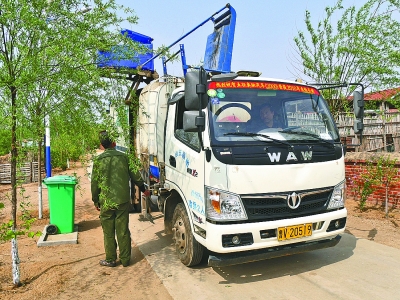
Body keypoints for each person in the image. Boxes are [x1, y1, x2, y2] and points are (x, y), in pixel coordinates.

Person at [91, 130, 150, 267]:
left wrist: (96, 200)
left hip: (106, 201)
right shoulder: (124, 157)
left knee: (108, 231)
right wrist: (143, 189)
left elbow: (95, 183)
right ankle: (125, 260)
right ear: (114, 143)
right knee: (123, 230)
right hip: (122, 200)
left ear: (101, 145)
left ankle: (111, 259)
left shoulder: (98, 161)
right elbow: (136, 176)